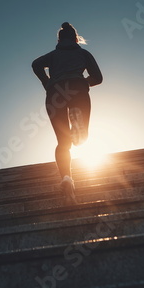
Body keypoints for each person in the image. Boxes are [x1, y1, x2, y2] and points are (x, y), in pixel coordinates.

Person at [32, 22, 103, 203]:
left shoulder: (54, 55)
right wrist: (83, 82)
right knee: (80, 139)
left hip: (55, 94)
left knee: (63, 143)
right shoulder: (83, 53)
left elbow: (36, 64)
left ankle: (66, 178)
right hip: (77, 90)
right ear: (75, 38)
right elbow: (98, 78)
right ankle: (76, 119)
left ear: (59, 39)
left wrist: (47, 82)